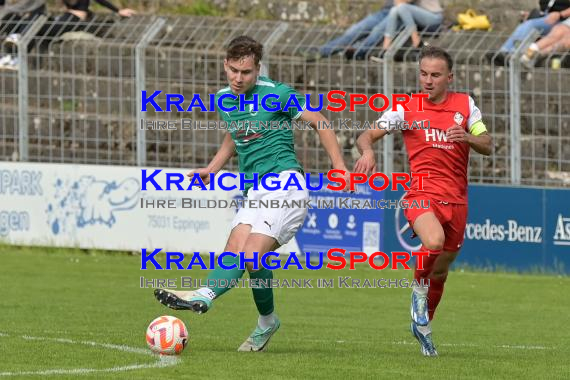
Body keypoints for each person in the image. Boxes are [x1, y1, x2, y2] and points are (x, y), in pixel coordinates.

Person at [155, 36, 351, 352]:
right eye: (233, 70)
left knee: (251, 254)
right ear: (225, 65)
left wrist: (339, 165)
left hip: (286, 185)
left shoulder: (277, 94)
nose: (238, 78)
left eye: (246, 72)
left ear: (257, 68)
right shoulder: (224, 99)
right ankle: (267, 321)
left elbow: (321, 122)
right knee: (238, 250)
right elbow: (235, 136)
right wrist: (212, 168)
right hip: (255, 190)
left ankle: (203, 294)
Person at [354, 45, 492, 356]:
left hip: (456, 199)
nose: (427, 80)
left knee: (441, 270)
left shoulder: (466, 105)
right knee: (433, 240)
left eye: (435, 75)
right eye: (423, 74)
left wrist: (469, 137)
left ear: (449, 77)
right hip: (421, 194)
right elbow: (367, 134)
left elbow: (487, 143)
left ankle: (424, 325)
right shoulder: (405, 108)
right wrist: (367, 150)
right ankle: (418, 290)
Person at [0, 0, 135, 70]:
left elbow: (101, 1)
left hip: (74, 20)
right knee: (20, 18)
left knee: (37, 23)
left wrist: (118, 10)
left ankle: (18, 50)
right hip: (62, 18)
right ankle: (13, 52)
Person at [304, 0, 394, 61]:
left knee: (378, 30)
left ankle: (359, 51)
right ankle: (322, 51)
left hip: (400, 11)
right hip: (385, 11)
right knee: (356, 29)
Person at [489, 0, 570, 65]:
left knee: (531, 25)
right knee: (528, 24)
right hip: (547, 16)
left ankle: (515, 54)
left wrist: (560, 15)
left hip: (561, 19)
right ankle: (506, 52)